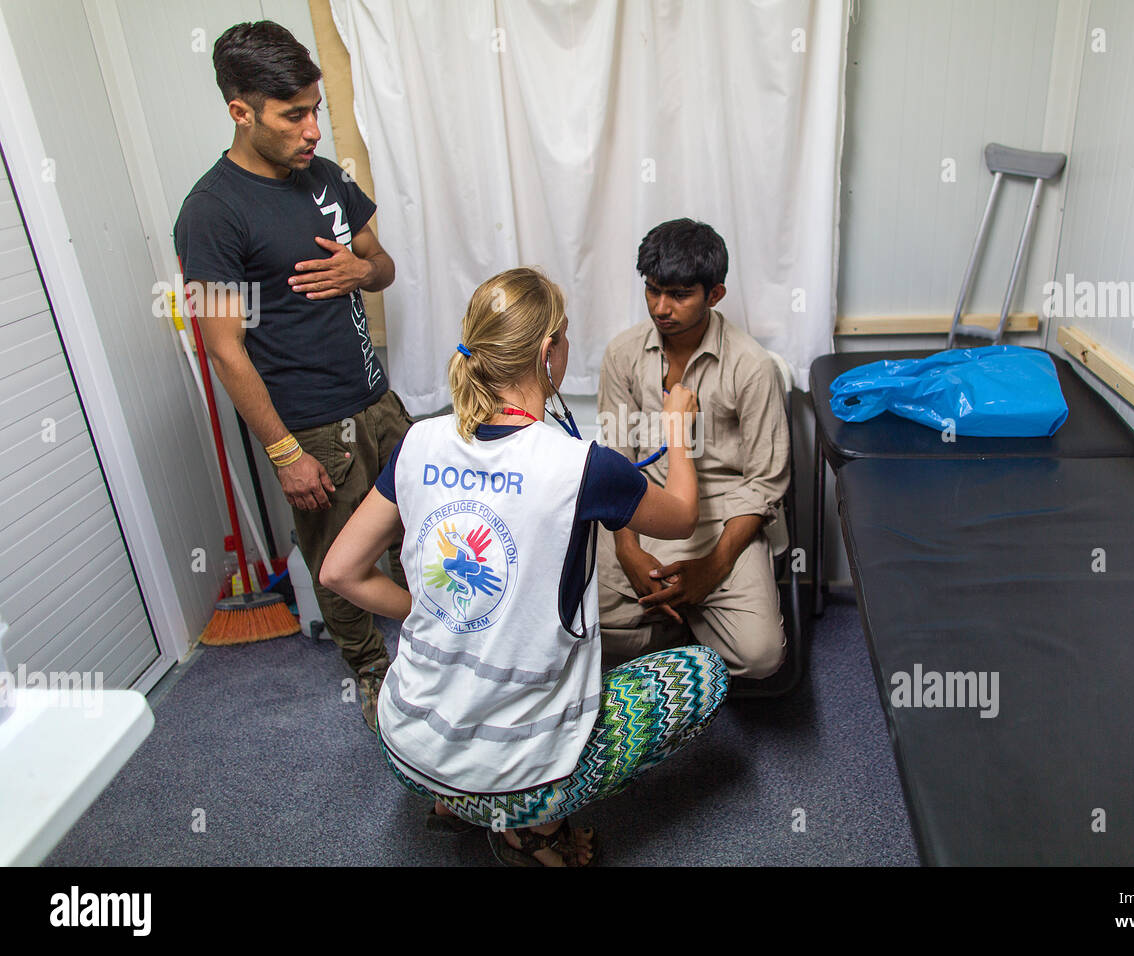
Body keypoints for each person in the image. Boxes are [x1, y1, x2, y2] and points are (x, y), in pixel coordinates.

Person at [320, 268, 729, 866]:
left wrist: (439, 612)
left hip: (405, 745)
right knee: (705, 675)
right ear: (547, 352)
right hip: (518, 772)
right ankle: (531, 825)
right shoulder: (584, 467)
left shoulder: (418, 442)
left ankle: (451, 801)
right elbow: (684, 517)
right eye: (562, 339)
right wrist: (677, 430)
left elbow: (338, 572)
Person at [174, 21, 410, 729]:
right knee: (340, 568)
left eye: (316, 110)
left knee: (428, 537)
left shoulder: (325, 176)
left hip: (380, 404)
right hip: (311, 427)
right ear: (240, 110)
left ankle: (440, 651)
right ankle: (373, 677)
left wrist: (362, 270)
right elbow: (223, 348)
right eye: (294, 115)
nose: (313, 129)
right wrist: (284, 452)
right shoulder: (212, 213)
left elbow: (384, 264)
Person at [596, 219, 791, 679]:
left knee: (761, 657)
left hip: (724, 517)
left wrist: (711, 569)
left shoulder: (752, 367)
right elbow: (617, 464)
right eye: (653, 291)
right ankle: (685, 624)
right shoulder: (622, 355)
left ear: (715, 294)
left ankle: (681, 616)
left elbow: (764, 485)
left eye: (680, 295)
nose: (662, 308)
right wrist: (627, 547)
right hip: (640, 507)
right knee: (579, 627)